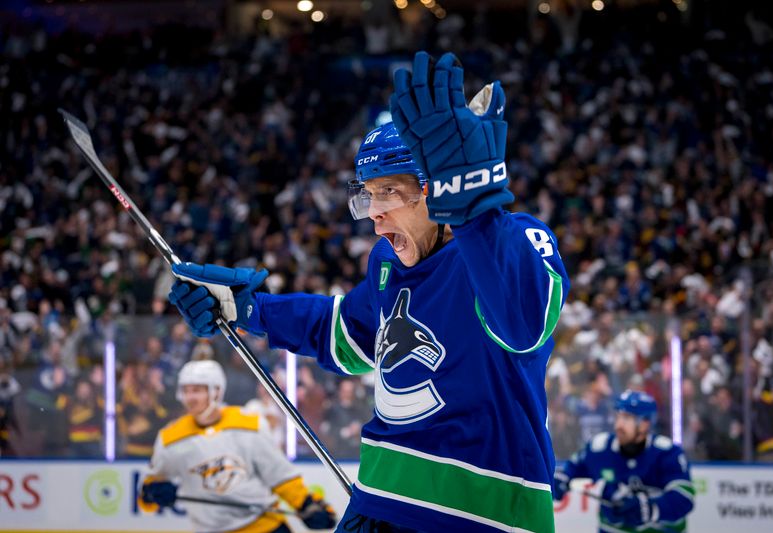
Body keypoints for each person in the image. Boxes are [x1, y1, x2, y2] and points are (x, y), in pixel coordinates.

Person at [168, 51, 570, 533]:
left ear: (434, 191)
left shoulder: (511, 241)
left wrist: (477, 211)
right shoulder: (386, 262)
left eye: (389, 193)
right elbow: (347, 334)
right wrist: (248, 308)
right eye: (367, 194)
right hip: (378, 502)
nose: (374, 214)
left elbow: (524, 324)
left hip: (482, 515)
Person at [139, 360, 336, 533]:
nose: (190, 397)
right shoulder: (170, 438)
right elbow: (148, 489)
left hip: (264, 526)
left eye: (197, 390)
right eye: (186, 390)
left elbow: (278, 475)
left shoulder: (248, 424)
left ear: (216, 391)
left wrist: (306, 504)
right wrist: (152, 493)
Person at [552, 390, 695, 532]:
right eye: (618, 417)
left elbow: (684, 497)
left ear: (645, 424)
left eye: (626, 418)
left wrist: (651, 508)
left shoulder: (667, 453)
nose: (618, 425)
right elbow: (572, 469)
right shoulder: (600, 448)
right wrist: (561, 479)